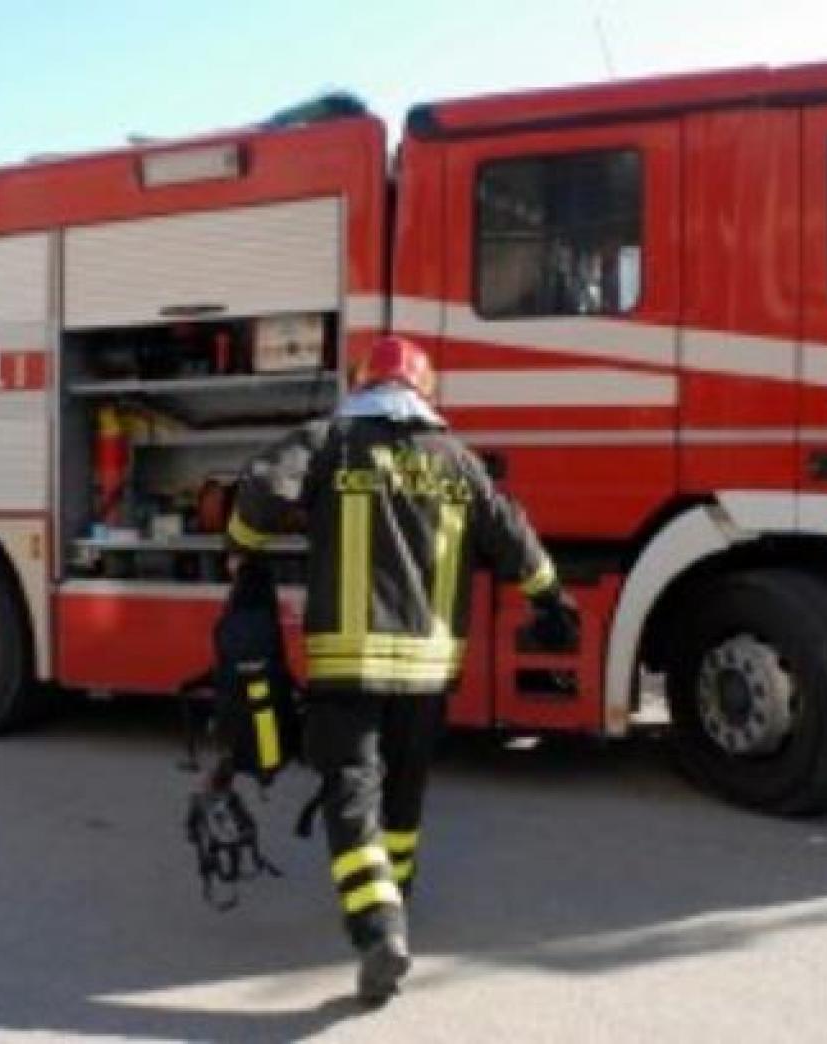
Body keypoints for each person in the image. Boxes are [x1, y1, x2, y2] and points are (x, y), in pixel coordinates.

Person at [225, 334, 576, 1005]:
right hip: (428, 674)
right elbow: (516, 540)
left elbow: (262, 488)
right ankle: (397, 893)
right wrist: (552, 603)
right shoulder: (459, 462)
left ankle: (378, 926)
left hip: (349, 664)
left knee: (351, 792)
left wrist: (242, 549)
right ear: (424, 392)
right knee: (404, 792)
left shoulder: (330, 440)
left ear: (363, 385)